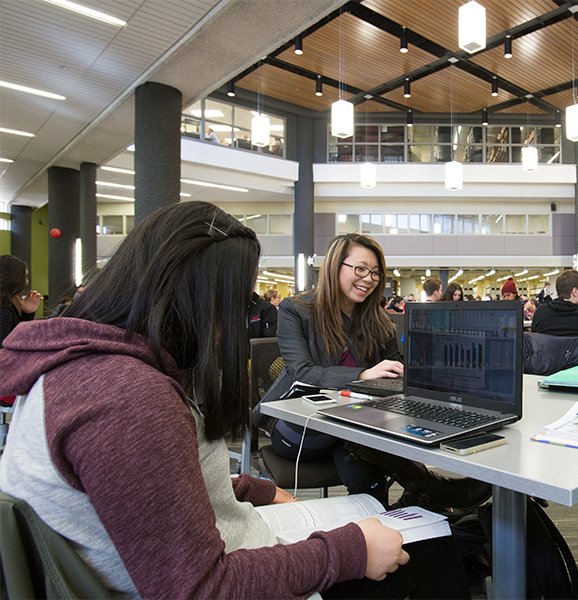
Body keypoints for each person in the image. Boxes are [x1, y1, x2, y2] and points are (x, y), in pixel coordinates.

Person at [0, 203, 469, 600]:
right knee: (431, 546)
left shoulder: (85, 371)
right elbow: (200, 588)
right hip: (231, 570)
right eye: (238, 302)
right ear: (196, 298)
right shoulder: (128, 400)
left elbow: (149, 489)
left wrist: (251, 488)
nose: (240, 320)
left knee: (381, 507)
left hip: (219, 546)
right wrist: (346, 552)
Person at [261, 234, 491, 510]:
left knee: (361, 456)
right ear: (336, 266)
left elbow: (394, 375)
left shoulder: (378, 320)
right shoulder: (296, 310)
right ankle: (429, 489)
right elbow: (301, 372)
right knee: (360, 433)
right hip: (298, 426)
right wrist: (362, 375)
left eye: (375, 273)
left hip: (355, 428)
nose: (368, 278)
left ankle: (383, 523)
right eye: (360, 269)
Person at [0, 255, 43, 348]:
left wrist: (28, 314)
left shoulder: (6, 305)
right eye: (25, 276)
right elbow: (7, 348)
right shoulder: (4, 310)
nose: (27, 281)